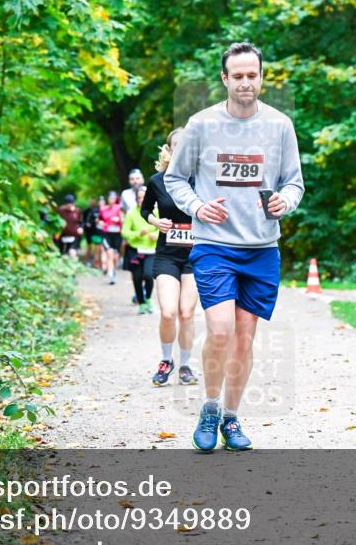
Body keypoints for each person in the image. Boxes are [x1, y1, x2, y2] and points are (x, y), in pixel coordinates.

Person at [165, 41, 304, 451]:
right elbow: (175, 179)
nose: (246, 83)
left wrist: (286, 201)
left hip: (262, 248)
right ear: (224, 79)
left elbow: (294, 181)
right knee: (221, 330)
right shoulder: (201, 125)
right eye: (238, 76)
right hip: (215, 245)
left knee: (245, 338)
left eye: (252, 75)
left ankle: (231, 417)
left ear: (261, 77)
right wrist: (198, 206)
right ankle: (209, 408)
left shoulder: (280, 126)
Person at [141, 127, 200, 387]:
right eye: (177, 145)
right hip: (167, 254)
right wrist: (156, 221)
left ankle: (185, 364)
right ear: (170, 150)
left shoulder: (202, 179)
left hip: (196, 253)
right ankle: (166, 360)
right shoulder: (157, 181)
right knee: (168, 312)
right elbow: (144, 210)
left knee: (187, 313)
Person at [122, 186, 158, 314]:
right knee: (137, 278)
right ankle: (141, 303)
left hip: (151, 250)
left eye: (144, 197)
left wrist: (156, 235)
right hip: (135, 251)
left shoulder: (156, 212)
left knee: (148, 275)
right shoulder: (131, 213)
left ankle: (148, 298)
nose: (141, 200)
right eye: (139, 198)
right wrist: (138, 233)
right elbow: (125, 232)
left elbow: (163, 229)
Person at [98, 191, 123, 284]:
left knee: (115, 257)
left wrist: (119, 219)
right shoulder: (103, 209)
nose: (112, 200)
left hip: (117, 234)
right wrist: (100, 223)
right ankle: (110, 275)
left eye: (114, 198)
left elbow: (124, 219)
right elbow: (99, 219)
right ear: (107, 199)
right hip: (107, 234)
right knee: (109, 253)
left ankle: (114, 271)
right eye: (110, 198)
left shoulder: (119, 208)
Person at [57, 194, 83, 259]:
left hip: (74, 235)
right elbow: (56, 221)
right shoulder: (60, 210)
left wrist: (81, 228)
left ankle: (74, 267)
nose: (69, 206)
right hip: (63, 235)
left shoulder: (77, 211)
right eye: (67, 204)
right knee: (63, 254)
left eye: (71, 204)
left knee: (72, 252)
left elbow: (81, 222)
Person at [82, 196, 103, 268]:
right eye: (90, 201)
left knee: (99, 247)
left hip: (99, 231)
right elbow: (84, 221)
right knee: (90, 246)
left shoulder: (100, 210)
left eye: (93, 201)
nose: (92, 203)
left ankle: (98, 262)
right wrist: (86, 225)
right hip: (90, 232)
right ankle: (89, 260)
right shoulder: (87, 211)